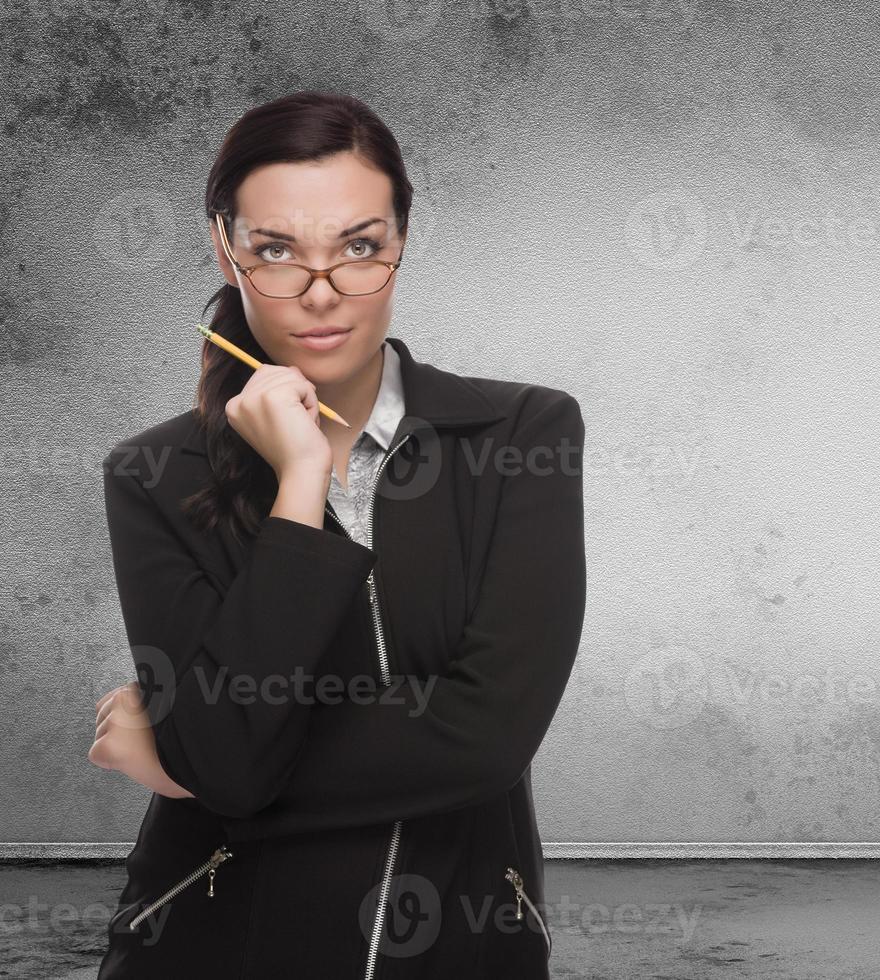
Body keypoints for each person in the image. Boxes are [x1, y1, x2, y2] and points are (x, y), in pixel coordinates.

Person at [88, 90, 584, 979]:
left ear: (401, 240)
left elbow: (486, 737)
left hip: (466, 947)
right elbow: (232, 752)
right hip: (217, 948)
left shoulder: (523, 436)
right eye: (276, 251)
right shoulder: (152, 474)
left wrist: (186, 763)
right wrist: (301, 483)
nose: (322, 296)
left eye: (359, 248)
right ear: (224, 248)